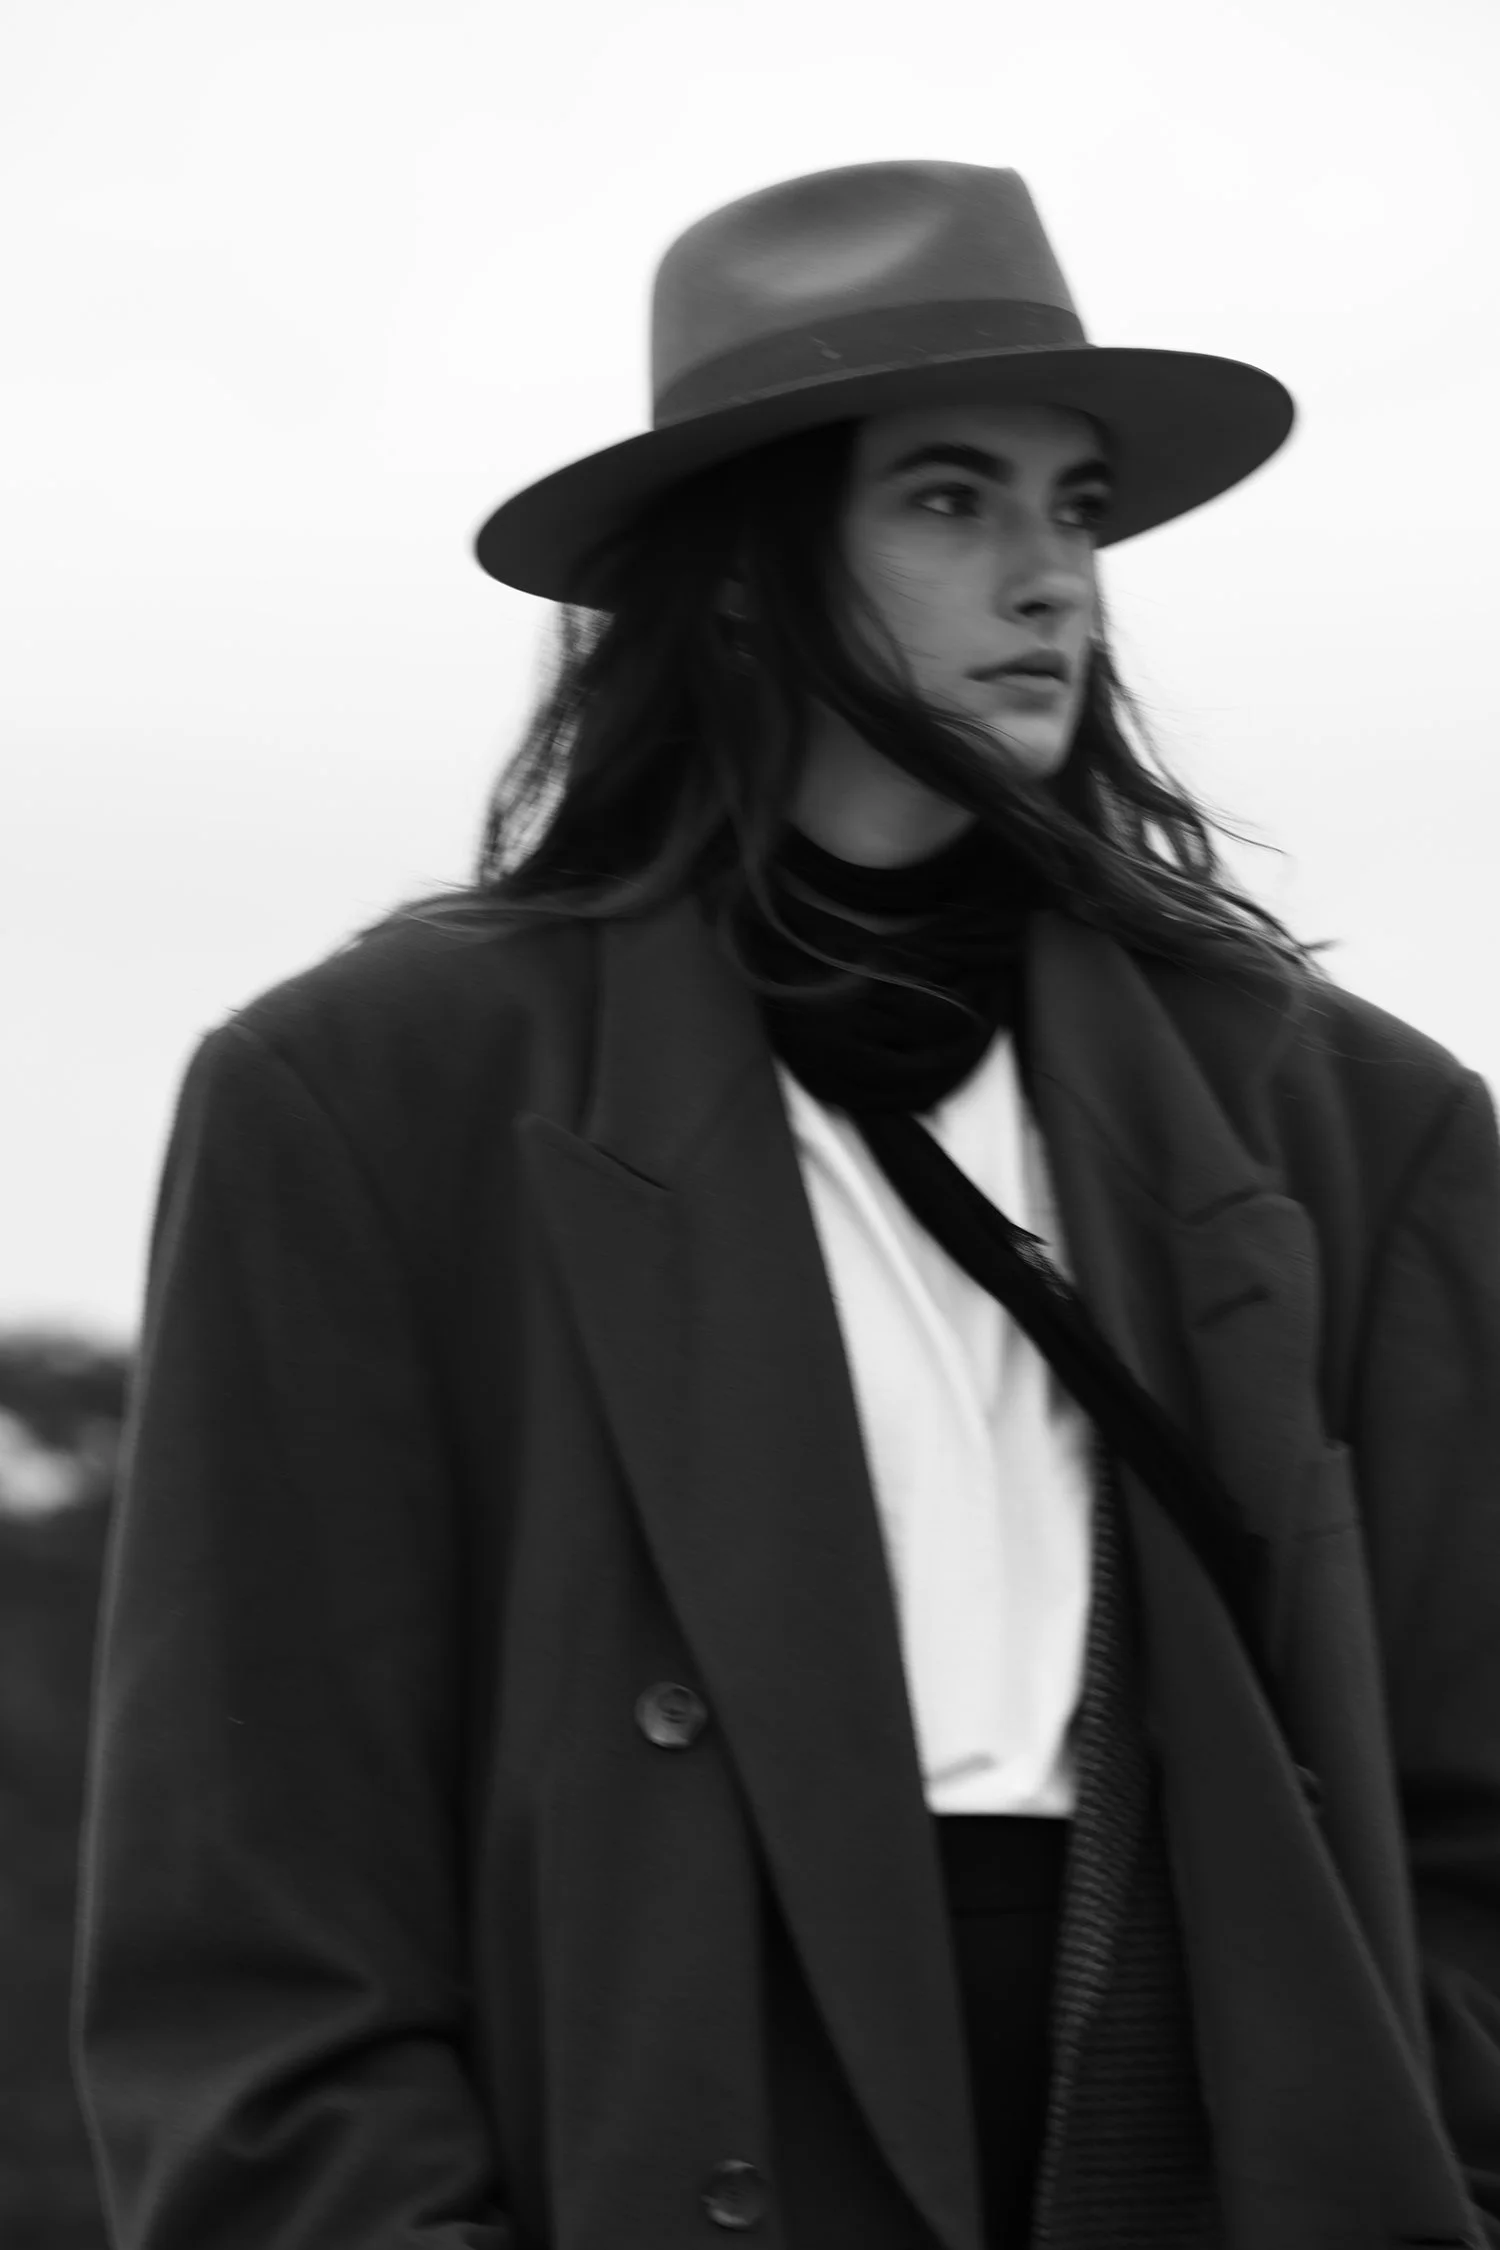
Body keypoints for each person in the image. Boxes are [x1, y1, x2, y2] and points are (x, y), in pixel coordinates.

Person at [71, 161, 1500, 2250]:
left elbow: (1477, 1826)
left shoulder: (1353, 1123)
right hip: (684, 2119)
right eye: (951, 499)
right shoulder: (370, 1103)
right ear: (741, 574)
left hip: (1211, 2144)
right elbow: (256, 1914)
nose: (1053, 579)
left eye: (1074, 505)